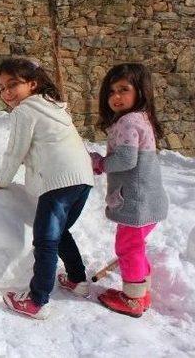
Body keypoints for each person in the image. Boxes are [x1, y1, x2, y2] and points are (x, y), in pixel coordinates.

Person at [0, 58, 94, 319]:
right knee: (61, 232)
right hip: (82, 179)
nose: (7, 92)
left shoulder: (24, 111)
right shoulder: (53, 106)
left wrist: (1, 181)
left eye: (13, 85)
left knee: (45, 241)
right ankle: (77, 280)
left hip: (58, 182)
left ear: (33, 83)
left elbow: (15, 152)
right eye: (1, 88)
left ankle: (37, 300)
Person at [90, 63, 168, 318]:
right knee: (136, 246)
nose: (116, 97)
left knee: (128, 247)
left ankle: (133, 299)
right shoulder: (141, 117)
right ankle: (139, 292)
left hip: (136, 201)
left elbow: (125, 160)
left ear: (141, 91)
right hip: (149, 200)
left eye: (124, 89)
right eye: (111, 91)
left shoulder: (128, 121)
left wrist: (100, 163)